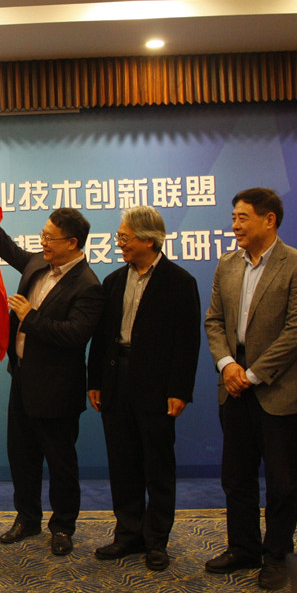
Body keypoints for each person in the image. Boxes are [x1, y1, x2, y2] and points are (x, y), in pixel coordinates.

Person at [203, 187, 297, 591]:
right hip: (232, 387)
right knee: (236, 477)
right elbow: (214, 321)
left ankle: (276, 556)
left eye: (243, 217)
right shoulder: (227, 264)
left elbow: (295, 332)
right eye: (233, 217)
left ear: (269, 220)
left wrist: (250, 374)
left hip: (277, 391)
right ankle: (244, 547)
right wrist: (227, 365)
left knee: (282, 483)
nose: (235, 225)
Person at [87, 206, 200, 571]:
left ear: (149, 240)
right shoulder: (113, 281)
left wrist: (179, 389)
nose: (119, 243)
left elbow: (187, 343)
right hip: (115, 381)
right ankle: (128, 534)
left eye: (125, 237)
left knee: (157, 464)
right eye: (119, 237)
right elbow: (101, 338)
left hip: (156, 386)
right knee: (122, 462)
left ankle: (156, 541)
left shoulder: (179, 281)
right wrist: (95, 381)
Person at [0, 206, 104, 557]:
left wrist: (30, 317)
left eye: (49, 238)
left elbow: (75, 335)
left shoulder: (88, 285)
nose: (43, 242)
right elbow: (9, 250)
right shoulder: (39, 263)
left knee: (60, 462)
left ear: (72, 243)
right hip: (22, 379)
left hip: (57, 388)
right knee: (21, 455)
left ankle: (63, 526)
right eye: (42, 235)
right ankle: (27, 519)